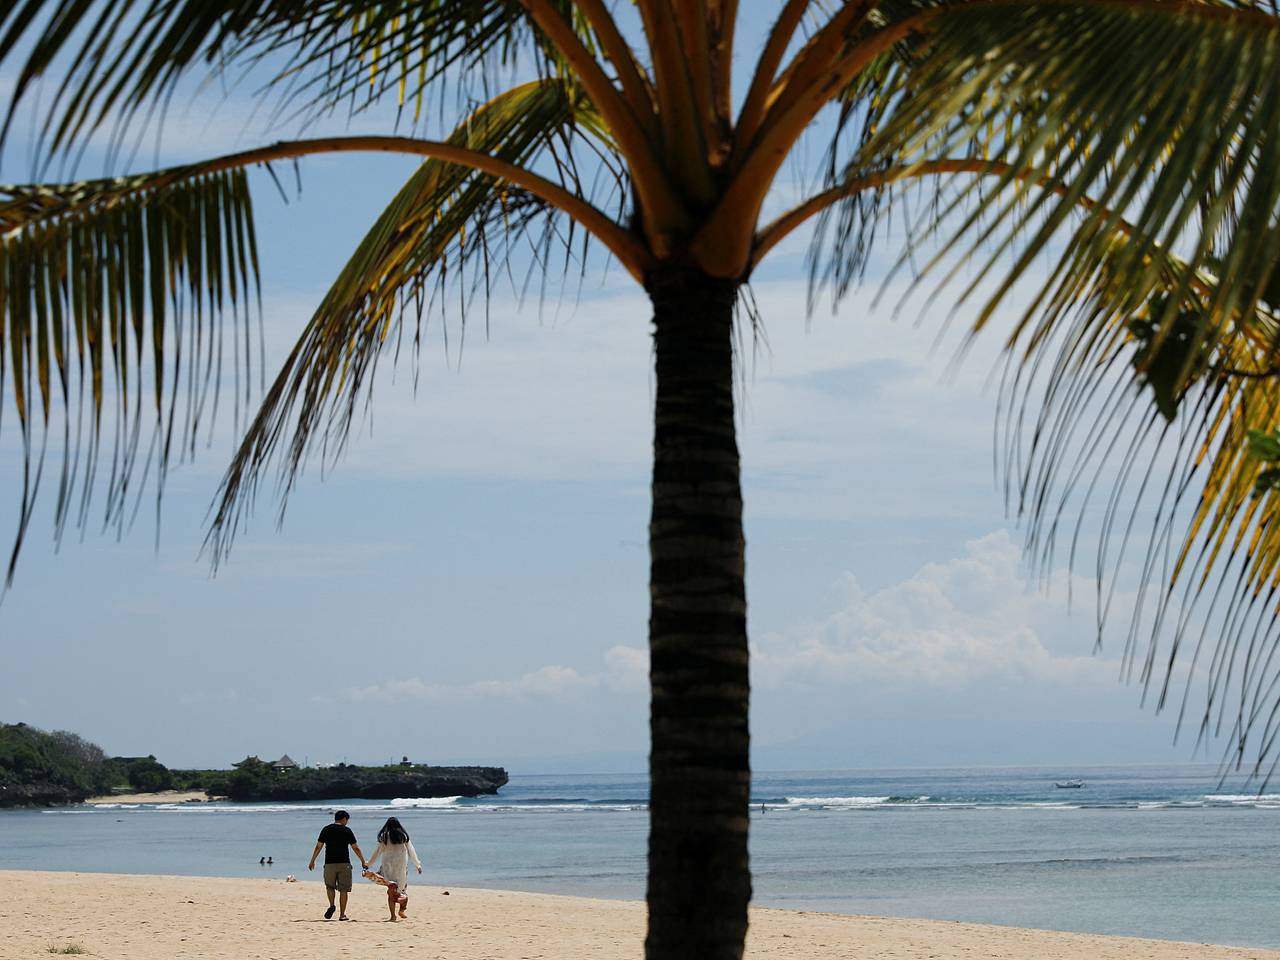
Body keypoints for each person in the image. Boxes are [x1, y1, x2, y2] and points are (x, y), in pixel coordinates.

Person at [308, 810, 367, 920]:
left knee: (330, 886)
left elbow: (318, 846)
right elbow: (356, 848)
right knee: (344, 889)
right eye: (347, 820)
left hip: (329, 863)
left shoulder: (326, 829)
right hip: (344, 863)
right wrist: (363, 861)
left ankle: (332, 905)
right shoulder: (347, 830)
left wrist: (312, 860)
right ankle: (342, 915)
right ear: (344, 818)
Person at [363, 816, 422, 921]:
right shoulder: (403, 836)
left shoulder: (384, 836)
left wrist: (368, 863)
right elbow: (411, 850)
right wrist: (417, 865)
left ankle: (393, 916)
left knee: (391, 890)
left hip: (387, 865)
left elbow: (377, 852)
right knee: (402, 889)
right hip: (401, 866)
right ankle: (401, 907)